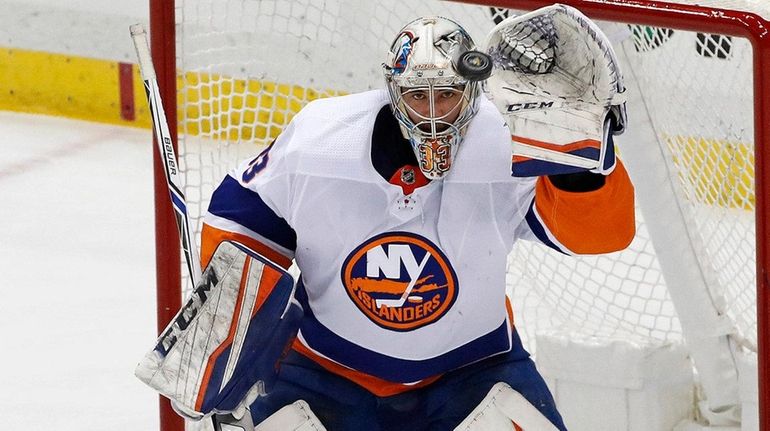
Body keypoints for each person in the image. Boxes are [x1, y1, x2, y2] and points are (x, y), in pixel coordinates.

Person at [200, 15, 635, 431]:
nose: (431, 113)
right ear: (392, 90)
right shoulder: (321, 140)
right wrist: (230, 329)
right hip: (324, 373)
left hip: (475, 372)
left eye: (446, 95)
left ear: (472, 91)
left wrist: (583, 168)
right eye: (417, 95)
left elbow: (599, 236)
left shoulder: (508, 139)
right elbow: (242, 216)